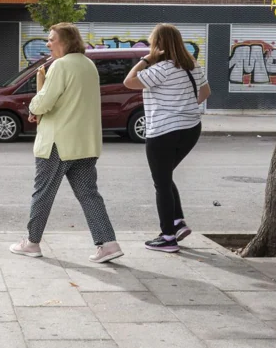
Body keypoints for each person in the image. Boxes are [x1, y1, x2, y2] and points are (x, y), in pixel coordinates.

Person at [11, 22, 124, 264]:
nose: (48, 43)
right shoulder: (88, 65)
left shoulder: (60, 66)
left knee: (42, 194)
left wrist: (33, 108)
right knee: (89, 195)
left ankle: (32, 243)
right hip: (84, 144)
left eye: (52, 39)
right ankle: (108, 243)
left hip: (57, 144)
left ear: (66, 41)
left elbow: (44, 101)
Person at [124, 23, 211, 253]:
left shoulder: (161, 68)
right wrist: (183, 107)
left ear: (158, 45)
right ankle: (178, 222)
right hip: (190, 128)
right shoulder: (192, 65)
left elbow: (129, 81)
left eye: (153, 43)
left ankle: (168, 238)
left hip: (163, 131)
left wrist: (146, 59)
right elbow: (205, 93)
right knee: (165, 176)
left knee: (161, 183)